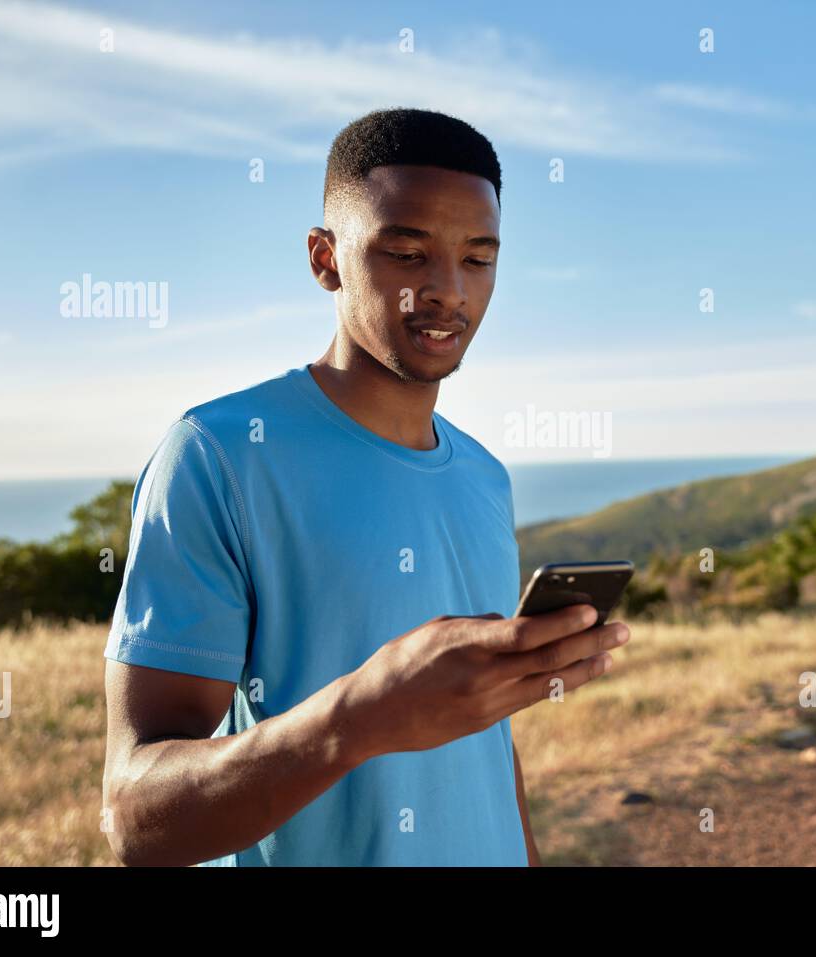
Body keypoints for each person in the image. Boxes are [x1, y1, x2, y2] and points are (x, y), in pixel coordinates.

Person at [100, 108, 631, 866]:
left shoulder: (484, 477)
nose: (448, 290)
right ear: (326, 259)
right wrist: (356, 718)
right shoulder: (218, 454)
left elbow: (486, 753)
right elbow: (134, 819)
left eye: (478, 259)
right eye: (408, 253)